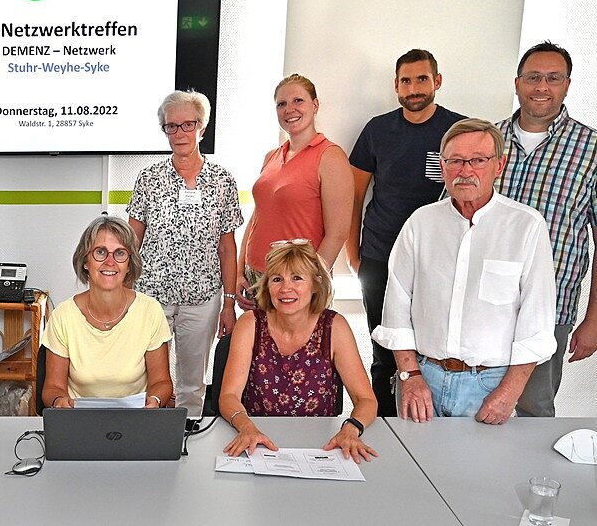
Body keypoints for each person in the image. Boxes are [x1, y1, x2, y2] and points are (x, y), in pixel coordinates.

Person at [373, 119, 557, 424]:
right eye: (455, 161)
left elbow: (535, 323)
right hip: (423, 379)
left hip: (489, 385)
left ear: (499, 165)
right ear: (443, 166)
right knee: (416, 467)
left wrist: (508, 394)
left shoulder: (526, 226)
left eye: (478, 160)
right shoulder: (421, 223)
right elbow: (396, 304)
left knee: (483, 472)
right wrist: (409, 375)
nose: (465, 170)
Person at [346, 49, 466, 416]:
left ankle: (427, 428)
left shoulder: (458, 131)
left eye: (422, 79)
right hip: (380, 258)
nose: (413, 88)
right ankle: (380, 425)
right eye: (406, 81)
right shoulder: (378, 130)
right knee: (383, 353)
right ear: (396, 86)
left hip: (439, 262)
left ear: (437, 81)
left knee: (431, 352)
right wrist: (354, 254)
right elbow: (354, 194)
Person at [496, 41, 597, 417]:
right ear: (517, 83)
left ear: (567, 85)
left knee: (533, 411)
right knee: (471, 410)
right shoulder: (487, 141)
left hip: (550, 310)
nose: (542, 86)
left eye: (553, 78)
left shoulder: (591, 149)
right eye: (533, 77)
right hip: (482, 308)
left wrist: (593, 319)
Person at [127, 89, 242, 416]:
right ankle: (146, 432)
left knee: (192, 381)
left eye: (187, 125)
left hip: (203, 298)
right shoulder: (149, 177)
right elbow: (132, 238)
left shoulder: (223, 180)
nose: (179, 133)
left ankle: (187, 433)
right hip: (151, 296)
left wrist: (229, 302)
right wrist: (122, 288)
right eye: (171, 126)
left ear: (202, 128)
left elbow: (227, 246)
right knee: (148, 376)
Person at [219, 240, 377, 462]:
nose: (285, 288)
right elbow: (228, 396)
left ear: (315, 284)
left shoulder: (335, 326)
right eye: (277, 279)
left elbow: (366, 400)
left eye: (297, 278)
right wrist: (246, 427)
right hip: (258, 442)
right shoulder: (250, 324)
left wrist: (351, 428)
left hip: (320, 446)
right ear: (267, 286)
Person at [237, 74, 353, 309]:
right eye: (282, 104)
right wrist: (240, 270)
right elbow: (258, 217)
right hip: (257, 279)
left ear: (315, 105)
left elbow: (337, 234)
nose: (290, 109)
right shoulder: (272, 156)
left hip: (296, 285)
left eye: (298, 101)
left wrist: (309, 283)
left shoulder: (330, 157)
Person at [40, 216, 173, 408]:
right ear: (85, 261)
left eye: (119, 253)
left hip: (135, 422)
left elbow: (162, 383)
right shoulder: (63, 316)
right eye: (100, 252)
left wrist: (156, 400)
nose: (110, 262)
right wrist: (59, 401)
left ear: (129, 264)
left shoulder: (150, 311)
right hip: (79, 421)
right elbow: (52, 388)